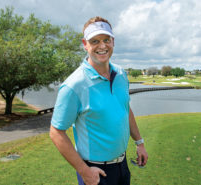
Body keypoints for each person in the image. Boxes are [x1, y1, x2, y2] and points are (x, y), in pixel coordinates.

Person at [49, 16, 148, 185]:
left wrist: (139, 143)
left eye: (106, 40)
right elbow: (56, 132)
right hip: (96, 172)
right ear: (85, 44)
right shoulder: (74, 85)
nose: (102, 46)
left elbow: (125, 109)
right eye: (94, 41)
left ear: (113, 42)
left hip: (122, 165)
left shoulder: (121, 75)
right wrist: (84, 171)